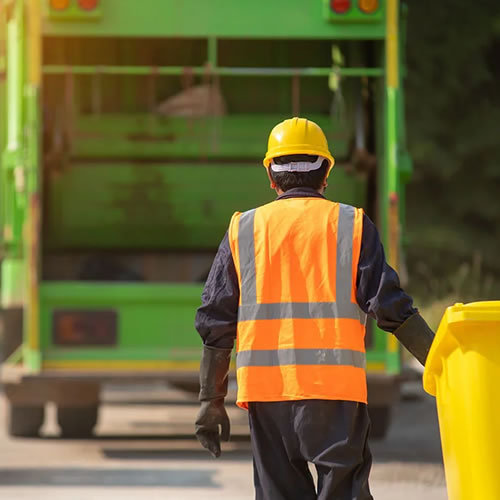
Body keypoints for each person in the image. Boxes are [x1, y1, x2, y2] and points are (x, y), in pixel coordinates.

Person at [194, 117, 435, 500]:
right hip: (335, 393)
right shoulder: (351, 224)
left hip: (267, 396)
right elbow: (390, 306)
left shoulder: (244, 229)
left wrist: (211, 401)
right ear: (325, 173)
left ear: (272, 178)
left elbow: (215, 318)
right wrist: (440, 362)